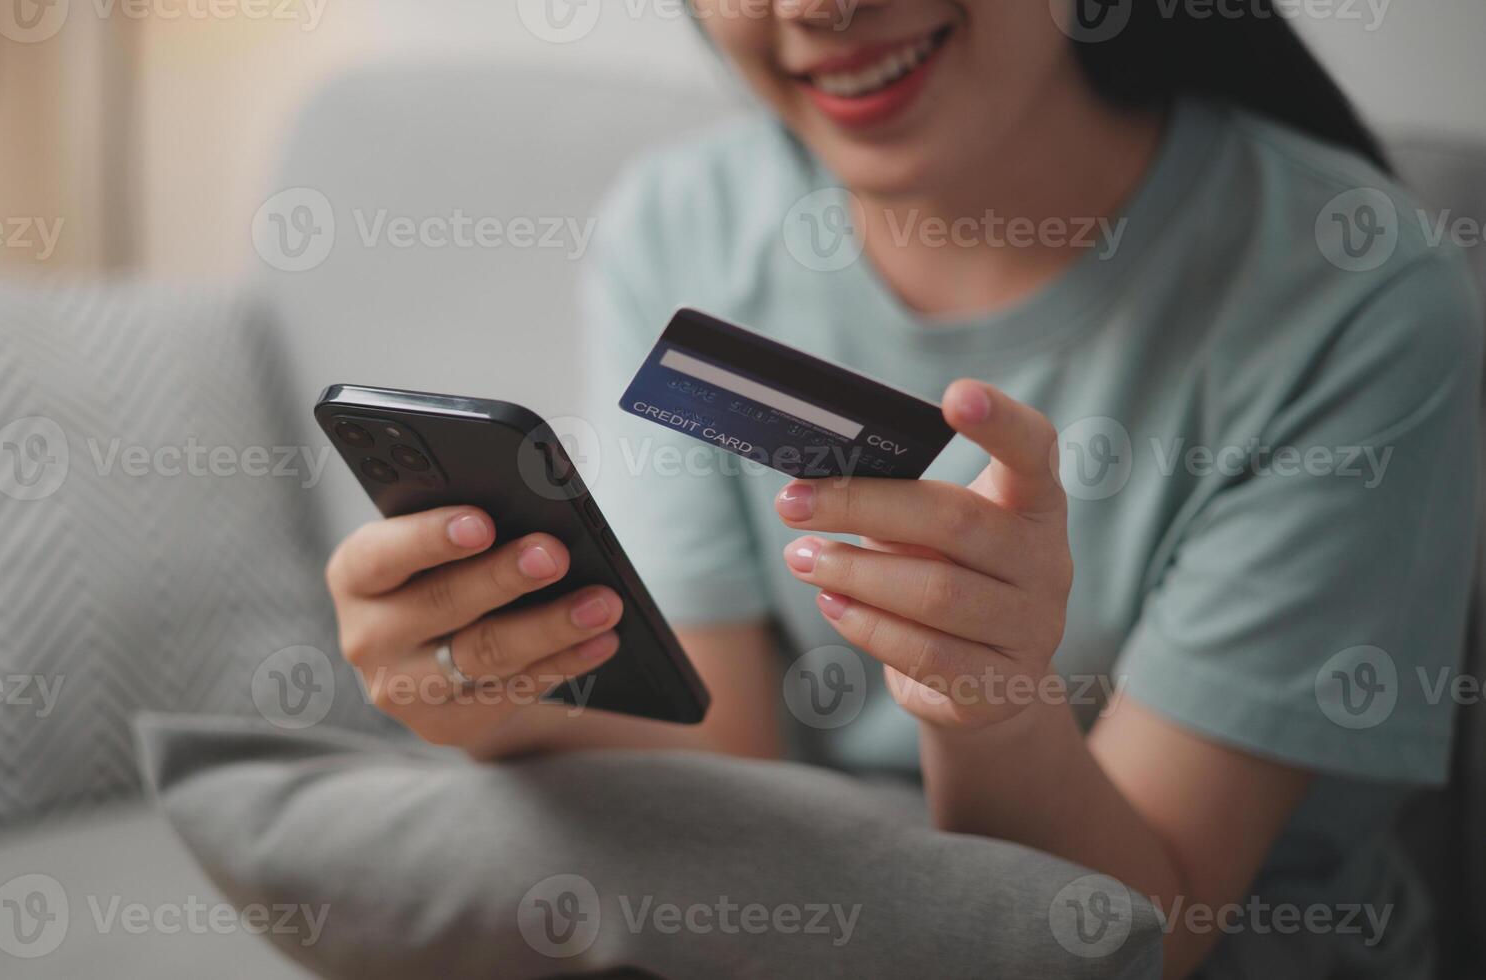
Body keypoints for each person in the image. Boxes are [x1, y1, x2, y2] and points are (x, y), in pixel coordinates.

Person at [322, 1, 1482, 975]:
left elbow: (1141, 929)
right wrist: (476, 700)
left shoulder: (1359, 303)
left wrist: (984, 703)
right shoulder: (684, 222)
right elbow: (724, 750)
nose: (815, 7)